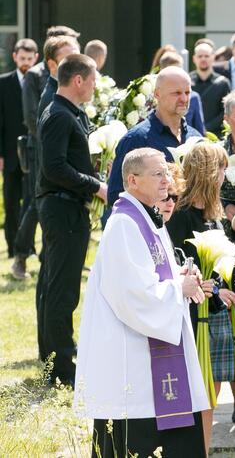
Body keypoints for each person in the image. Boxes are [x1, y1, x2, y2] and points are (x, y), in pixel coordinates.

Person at [74, 148, 208, 457]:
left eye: (166, 172)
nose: (166, 180)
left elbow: (154, 272)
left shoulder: (148, 218)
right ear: (133, 180)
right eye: (157, 174)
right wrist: (179, 287)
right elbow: (134, 295)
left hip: (151, 359)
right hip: (134, 364)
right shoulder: (124, 224)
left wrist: (181, 274)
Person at [37, 54, 106, 386]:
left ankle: (61, 356)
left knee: (64, 288)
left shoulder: (71, 114)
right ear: (78, 80)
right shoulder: (58, 116)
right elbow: (54, 168)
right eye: (92, 79)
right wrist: (96, 186)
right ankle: (61, 367)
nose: (95, 86)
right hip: (61, 208)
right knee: (62, 290)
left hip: (70, 207)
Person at [166, 142, 235, 450]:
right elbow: (175, 263)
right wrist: (205, 284)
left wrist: (221, 285)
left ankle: (204, 449)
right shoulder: (180, 214)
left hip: (216, 313)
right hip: (195, 318)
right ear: (208, 172)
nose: (225, 175)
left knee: (213, 390)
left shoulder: (214, 214)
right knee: (199, 391)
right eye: (221, 168)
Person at [12, 34, 78, 278]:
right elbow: (31, 115)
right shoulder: (34, 75)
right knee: (34, 203)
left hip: (58, 146)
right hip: (38, 147)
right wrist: (50, 141)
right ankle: (20, 253)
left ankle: (45, 255)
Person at [108, 66, 203, 206]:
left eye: (187, 92)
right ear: (157, 94)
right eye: (176, 93)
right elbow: (117, 195)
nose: (184, 98)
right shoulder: (136, 139)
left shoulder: (196, 138)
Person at [1, 38, 37, 264]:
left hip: (33, 152)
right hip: (10, 151)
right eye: (21, 58)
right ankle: (13, 247)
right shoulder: (3, 83)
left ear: (36, 58)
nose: (25, 62)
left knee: (31, 200)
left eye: (29, 59)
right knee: (12, 200)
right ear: (15, 57)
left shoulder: (39, 81)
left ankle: (28, 246)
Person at [159, 51, 206, 135]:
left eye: (179, 69)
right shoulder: (150, 96)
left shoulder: (193, 97)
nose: (183, 99)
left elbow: (200, 131)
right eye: (172, 72)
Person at [191, 42, 232, 136]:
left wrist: (206, 129)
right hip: (191, 135)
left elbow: (226, 111)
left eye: (206, 56)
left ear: (213, 57)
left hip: (216, 136)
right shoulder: (187, 82)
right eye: (200, 56)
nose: (203, 59)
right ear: (194, 58)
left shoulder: (223, 83)